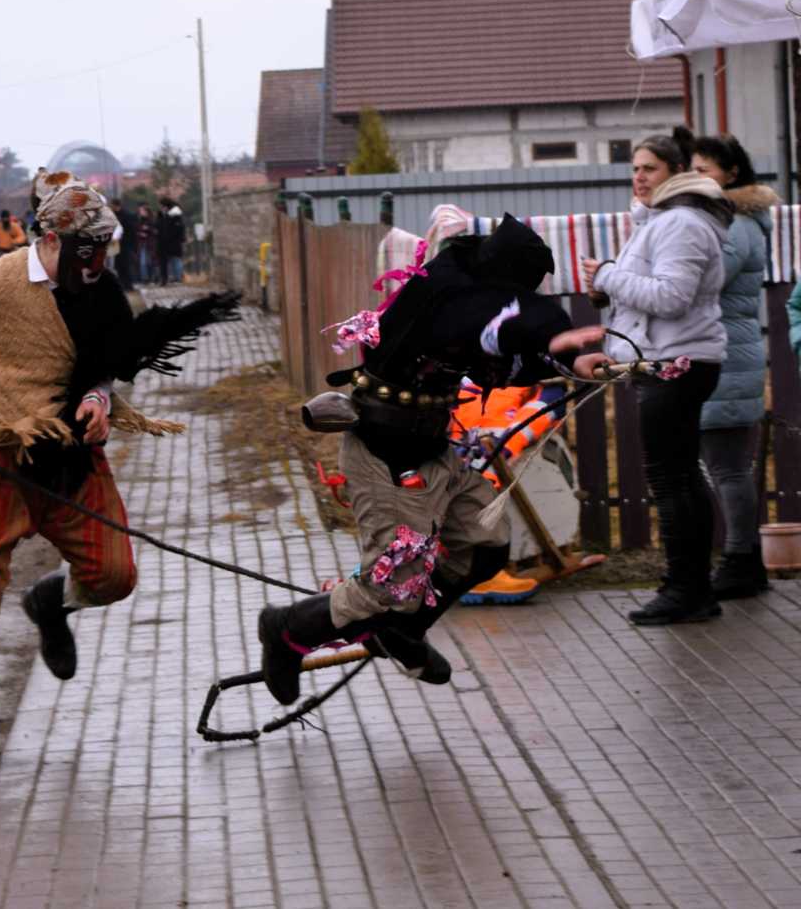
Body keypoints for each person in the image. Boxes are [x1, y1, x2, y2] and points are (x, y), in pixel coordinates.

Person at [0, 170, 239, 779]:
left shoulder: (102, 291)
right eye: (86, 249)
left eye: (105, 248)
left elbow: (104, 363)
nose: (98, 260)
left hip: (70, 456)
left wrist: (99, 400)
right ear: (49, 239)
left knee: (114, 572)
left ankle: (52, 601)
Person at [261, 216, 610, 704]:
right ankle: (286, 629)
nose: (526, 299)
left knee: (486, 545)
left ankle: (404, 632)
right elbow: (493, 325)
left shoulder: (472, 307)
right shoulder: (442, 295)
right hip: (384, 453)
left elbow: (504, 348)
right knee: (389, 583)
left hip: (435, 449)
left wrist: (570, 361)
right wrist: (551, 340)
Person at [582, 127, 732, 625]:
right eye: (635, 168)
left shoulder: (683, 223)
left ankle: (686, 589)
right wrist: (612, 292)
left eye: (651, 168)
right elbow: (653, 292)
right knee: (680, 477)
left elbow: (671, 297)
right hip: (667, 359)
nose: (639, 177)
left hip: (678, 363)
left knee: (672, 480)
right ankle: (692, 588)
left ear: (677, 173)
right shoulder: (664, 222)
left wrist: (606, 274)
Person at [689, 136, 775, 599]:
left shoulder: (737, 224)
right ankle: (744, 560)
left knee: (727, 467)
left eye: (704, 169)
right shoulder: (721, 220)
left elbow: (705, 278)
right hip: (724, 351)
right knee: (720, 465)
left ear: (731, 174)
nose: (695, 177)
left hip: (728, 355)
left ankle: (741, 559)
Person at [157, 198, 186, 285]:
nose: (160, 208)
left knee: (176, 260)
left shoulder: (175, 215)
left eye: (161, 206)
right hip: (166, 242)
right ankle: (174, 277)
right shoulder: (164, 215)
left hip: (174, 241)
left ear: (165, 206)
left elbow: (177, 229)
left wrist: (171, 237)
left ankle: (178, 278)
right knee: (172, 260)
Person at [110, 197, 138, 288]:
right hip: (117, 244)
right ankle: (122, 283)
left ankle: (128, 284)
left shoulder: (126, 215)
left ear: (115, 205)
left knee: (125, 265)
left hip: (126, 243)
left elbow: (131, 230)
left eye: (112, 205)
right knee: (118, 265)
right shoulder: (115, 215)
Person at [136, 203, 158, 283]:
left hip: (150, 244)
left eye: (142, 211)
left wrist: (148, 229)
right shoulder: (139, 220)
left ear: (146, 212)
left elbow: (156, 231)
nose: (140, 212)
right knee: (142, 262)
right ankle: (144, 278)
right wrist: (140, 233)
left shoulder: (152, 220)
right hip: (142, 243)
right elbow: (136, 230)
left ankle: (153, 277)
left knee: (151, 261)